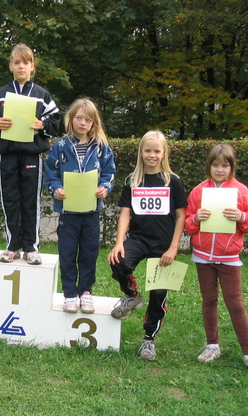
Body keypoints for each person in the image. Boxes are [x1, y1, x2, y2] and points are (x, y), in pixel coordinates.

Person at [184, 144, 248, 377]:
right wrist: (196, 218)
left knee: (235, 303)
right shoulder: (198, 191)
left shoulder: (240, 191)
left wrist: (241, 216)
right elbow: (188, 225)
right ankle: (212, 345)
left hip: (229, 257)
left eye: (225, 165)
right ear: (209, 166)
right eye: (215, 165)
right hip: (203, 256)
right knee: (209, 300)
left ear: (232, 167)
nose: (220, 170)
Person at [107, 130, 187, 361]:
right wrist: (119, 243)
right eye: (148, 150)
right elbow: (125, 213)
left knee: (158, 294)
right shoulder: (132, 181)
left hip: (163, 245)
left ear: (164, 153)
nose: (152, 155)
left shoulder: (173, 181)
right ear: (141, 152)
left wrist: (173, 248)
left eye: (157, 151)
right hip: (139, 239)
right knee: (118, 261)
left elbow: (181, 216)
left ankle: (149, 340)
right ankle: (132, 296)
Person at [0, 43, 61, 265]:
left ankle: (31, 247)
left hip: (31, 155)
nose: (21, 66)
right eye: (17, 62)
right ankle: (12, 246)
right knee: (10, 200)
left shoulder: (41, 95)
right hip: (8, 155)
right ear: (10, 66)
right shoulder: (1, 95)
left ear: (32, 66)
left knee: (30, 201)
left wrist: (41, 124)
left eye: (26, 63)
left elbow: (55, 121)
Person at [45, 98, 116, 314]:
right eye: (79, 118)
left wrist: (104, 187)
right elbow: (50, 173)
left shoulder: (101, 147)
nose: (83, 123)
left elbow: (109, 172)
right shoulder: (60, 146)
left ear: (94, 122)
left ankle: (85, 291)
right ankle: (69, 293)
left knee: (89, 253)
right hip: (68, 212)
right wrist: (56, 188)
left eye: (88, 119)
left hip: (91, 212)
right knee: (67, 253)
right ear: (70, 119)